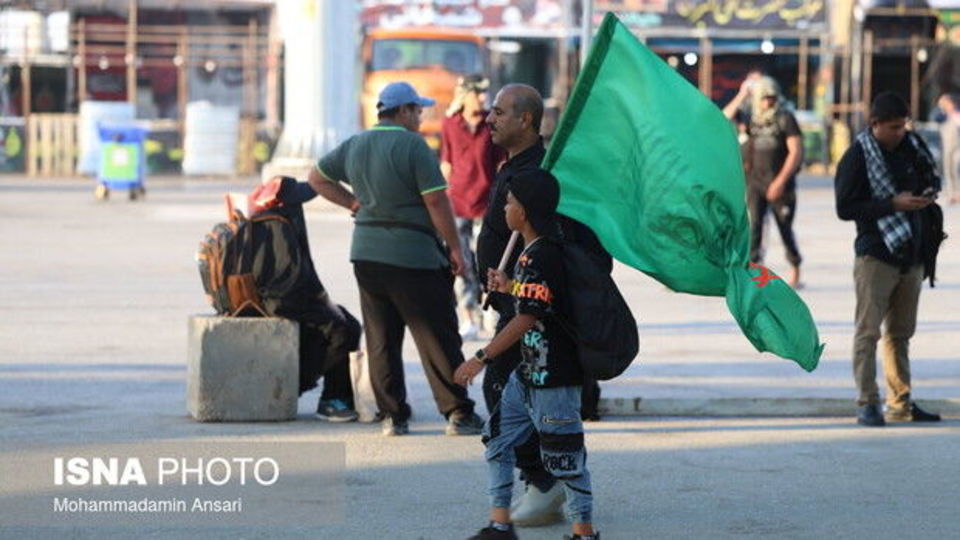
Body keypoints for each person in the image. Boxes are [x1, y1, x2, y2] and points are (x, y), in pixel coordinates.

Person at [307, 81, 484, 437]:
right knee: (436, 335)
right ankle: (458, 413)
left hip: (367, 256)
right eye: (417, 110)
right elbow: (436, 201)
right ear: (403, 111)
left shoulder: (356, 144)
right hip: (414, 255)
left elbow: (316, 178)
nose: (420, 117)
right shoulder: (413, 146)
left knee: (381, 338)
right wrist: (455, 247)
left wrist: (354, 204)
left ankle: (393, 416)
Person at [476, 83, 608, 526]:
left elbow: (572, 238)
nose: (489, 119)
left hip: (535, 310)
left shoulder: (546, 173)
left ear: (525, 119)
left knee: (502, 383)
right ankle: (550, 482)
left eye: (498, 112)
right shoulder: (512, 165)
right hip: (514, 300)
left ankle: (546, 481)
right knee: (517, 392)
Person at [456, 169, 598, 540]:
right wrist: (510, 284)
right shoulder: (532, 254)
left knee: (566, 461)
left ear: (526, 211)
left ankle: (584, 533)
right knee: (497, 440)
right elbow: (541, 297)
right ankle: (500, 526)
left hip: (555, 377)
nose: (504, 207)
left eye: (509, 201)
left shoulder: (543, 254)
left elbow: (526, 318)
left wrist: (481, 358)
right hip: (529, 373)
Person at [834, 91, 943, 427]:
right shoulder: (857, 156)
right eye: (894, 127)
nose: (900, 132)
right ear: (875, 124)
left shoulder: (913, 147)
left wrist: (925, 197)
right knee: (868, 333)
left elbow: (931, 178)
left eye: (903, 126)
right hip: (876, 255)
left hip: (911, 254)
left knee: (900, 334)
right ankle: (867, 402)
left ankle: (901, 401)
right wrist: (891, 205)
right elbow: (845, 208)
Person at [440, 74, 506, 341]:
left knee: (488, 261)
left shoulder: (492, 122)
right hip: (457, 204)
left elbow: (502, 163)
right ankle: (468, 315)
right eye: (478, 93)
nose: (483, 98)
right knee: (461, 262)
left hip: (486, 205)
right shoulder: (450, 124)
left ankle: (491, 309)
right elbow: (446, 163)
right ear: (465, 95)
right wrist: (438, 200)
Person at [724, 75, 804, 288]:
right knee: (755, 228)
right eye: (764, 97)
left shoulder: (785, 118)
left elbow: (795, 152)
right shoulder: (752, 119)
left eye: (772, 97)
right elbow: (725, 117)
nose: (769, 102)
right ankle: (753, 272)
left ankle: (795, 267)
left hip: (781, 183)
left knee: (785, 227)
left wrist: (780, 181)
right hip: (755, 183)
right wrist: (743, 93)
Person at [936, 92, 960, 204]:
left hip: (957, 146)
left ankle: (958, 192)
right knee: (948, 170)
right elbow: (937, 118)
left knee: (956, 169)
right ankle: (951, 194)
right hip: (946, 147)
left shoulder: (957, 114)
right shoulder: (942, 115)